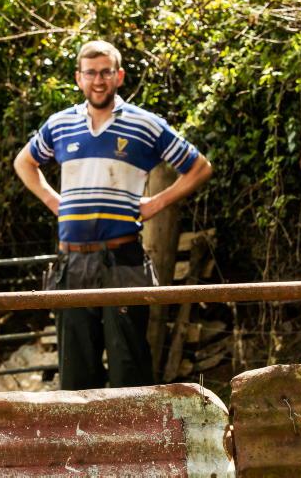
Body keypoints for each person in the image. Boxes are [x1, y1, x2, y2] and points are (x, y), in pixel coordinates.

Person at [13, 40, 212, 390]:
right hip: (73, 264)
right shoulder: (60, 124)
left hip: (123, 260)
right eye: (90, 73)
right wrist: (52, 200)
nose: (98, 80)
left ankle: (136, 429)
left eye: (106, 72)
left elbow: (199, 167)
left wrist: (155, 204)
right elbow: (24, 162)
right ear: (79, 78)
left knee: (128, 367)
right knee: (76, 375)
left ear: (119, 76)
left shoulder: (145, 124)